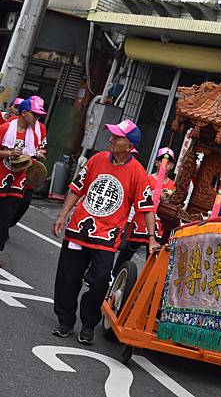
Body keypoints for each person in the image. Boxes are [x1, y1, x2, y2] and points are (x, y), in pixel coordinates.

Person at [51, 119, 159, 345]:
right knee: (67, 278)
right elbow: (75, 189)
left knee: (100, 281)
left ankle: (89, 323)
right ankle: (65, 320)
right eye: (112, 135)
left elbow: (147, 208)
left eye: (117, 137)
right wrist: (62, 216)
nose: (111, 139)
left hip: (106, 238)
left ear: (129, 146)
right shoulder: (96, 160)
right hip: (78, 230)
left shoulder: (138, 173)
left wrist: (151, 238)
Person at [113, 147, 176, 275]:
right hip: (141, 222)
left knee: (152, 257)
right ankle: (114, 275)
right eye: (162, 161)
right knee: (128, 250)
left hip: (159, 225)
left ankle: (144, 285)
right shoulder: (146, 179)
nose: (165, 164)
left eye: (169, 163)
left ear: (172, 166)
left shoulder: (173, 186)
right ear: (156, 163)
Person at [0, 98, 47, 262]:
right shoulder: (5, 129)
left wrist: (35, 165)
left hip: (17, 185)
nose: (36, 118)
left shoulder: (33, 136)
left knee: (4, 221)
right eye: (34, 114)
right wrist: (9, 154)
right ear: (24, 113)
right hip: (1, 178)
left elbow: (31, 158)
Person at [9, 96, 47, 229]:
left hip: (26, 172)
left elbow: (41, 147)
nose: (36, 117)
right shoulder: (13, 123)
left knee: (22, 204)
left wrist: (38, 153)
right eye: (34, 113)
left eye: (39, 114)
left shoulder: (40, 129)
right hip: (7, 169)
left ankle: (6, 226)